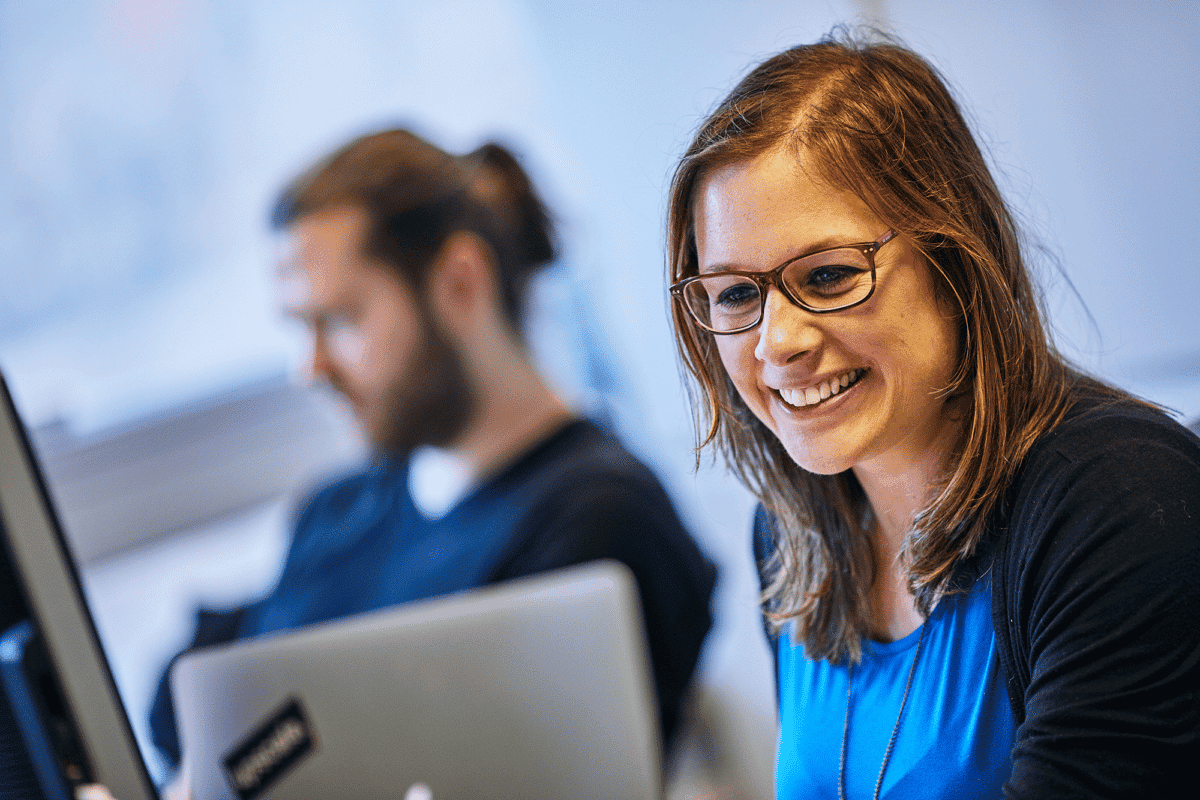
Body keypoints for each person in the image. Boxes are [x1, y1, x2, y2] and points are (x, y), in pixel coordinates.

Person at [666, 29, 1200, 798]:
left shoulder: (1120, 504)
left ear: (953, 262)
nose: (776, 343)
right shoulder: (788, 536)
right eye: (738, 294)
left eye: (828, 275)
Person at [148, 128, 717, 773]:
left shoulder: (598, 519)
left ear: (459, 282)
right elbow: (189, 696)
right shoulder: (340, 510)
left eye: (341, 320)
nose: (311, 369)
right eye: (300, 328)